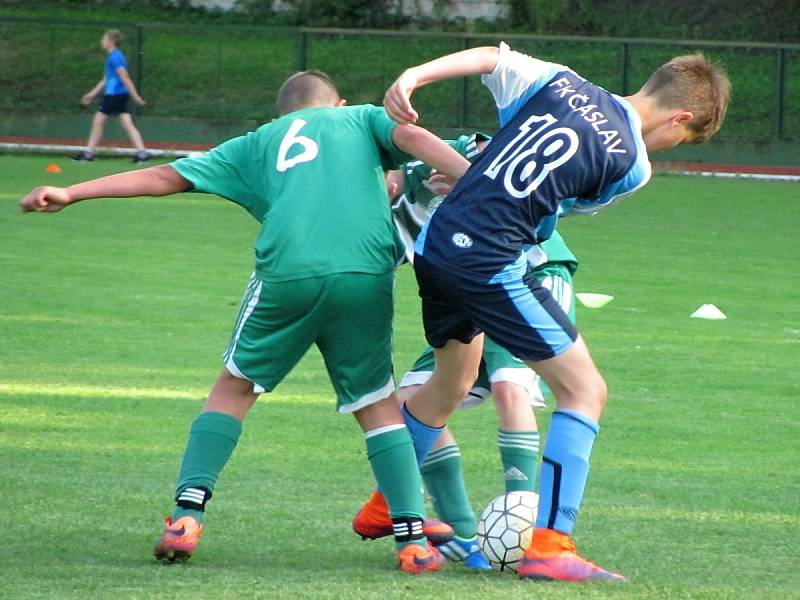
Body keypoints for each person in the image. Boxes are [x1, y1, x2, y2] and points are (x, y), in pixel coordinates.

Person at [20, 70, 472, 574]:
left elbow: (165, 177)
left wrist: (73, 192)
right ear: (337, 102)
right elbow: (410, 137)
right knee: (376, 403)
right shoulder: (360, 117)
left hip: (288, 271)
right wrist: (471, 178)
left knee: (234, 389)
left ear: (281, 115)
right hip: (364, 273)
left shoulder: (257, 142)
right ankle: (411, 541)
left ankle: (186, 518)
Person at [376, 42, 730, 582]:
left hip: (437, 245)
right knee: (585, 390)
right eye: (679, 138)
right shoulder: (633, 165)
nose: (666, 147)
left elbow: (490, 58)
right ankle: (549, 544)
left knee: (451, 382)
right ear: (681, 116)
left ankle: (386, 505)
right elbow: (549, 215)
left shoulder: (560, 81)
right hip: (489, 260)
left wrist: (414, 74)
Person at [354, 133, 579, 571]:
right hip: (469, 287)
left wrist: (466, 173)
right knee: (411, 403)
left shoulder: (437, 156)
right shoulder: (385, 218)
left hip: (532, 270)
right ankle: (462, 534)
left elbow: (505, 158)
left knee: (510, 387)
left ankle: (526, 529)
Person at [73, 29, 150, 163]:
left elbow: (124, 77)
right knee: (126, 123)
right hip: (117, 94)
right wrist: (92, 94)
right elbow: (106, 79)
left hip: (114, 95)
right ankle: (142, 152)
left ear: (111, 41)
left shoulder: (115, 57)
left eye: (104, 39)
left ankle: (89, 153)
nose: (102, 42)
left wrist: (136, 97)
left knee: (98, 120)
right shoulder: (114, 56)